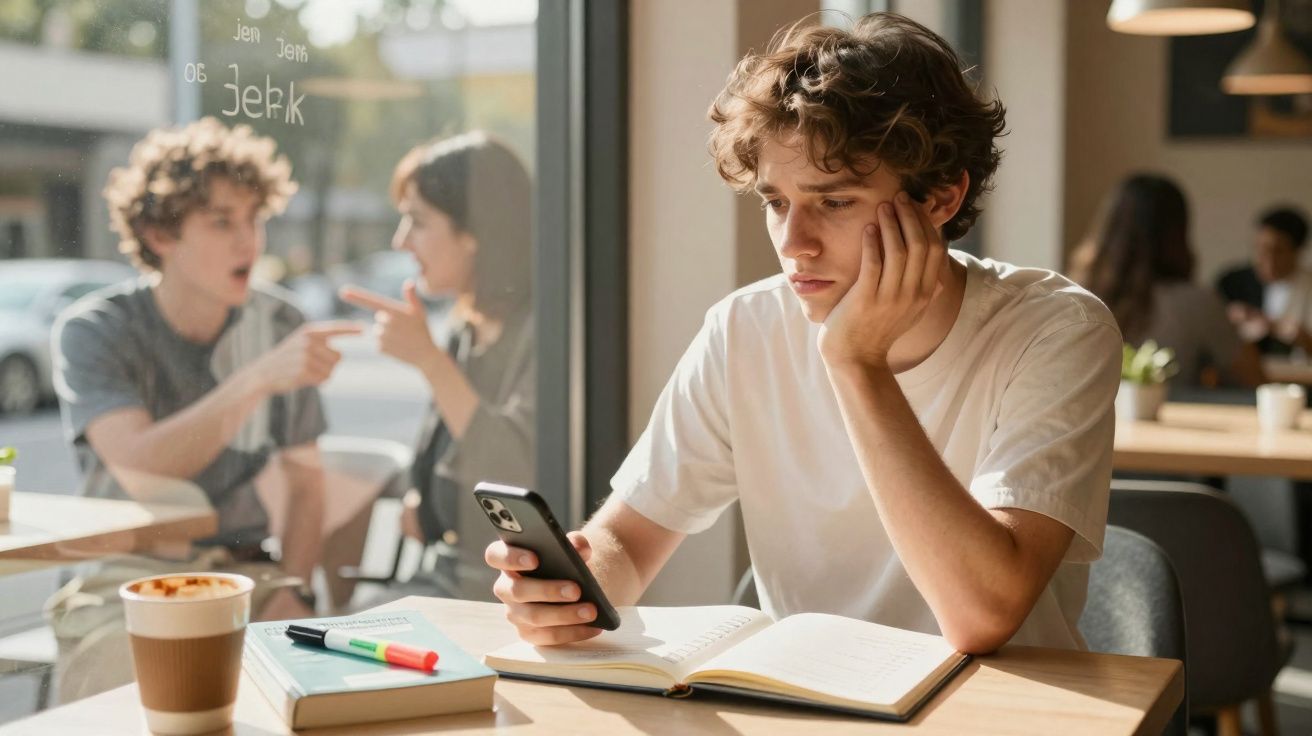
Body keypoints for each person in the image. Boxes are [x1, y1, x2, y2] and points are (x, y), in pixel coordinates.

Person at [485, 13, 1121, 654]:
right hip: (805, 707)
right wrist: (574, 589)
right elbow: (629, 540)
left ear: (940, 199)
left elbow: (982, 616)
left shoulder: (1056, 329)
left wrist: (856, 363)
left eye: (834, 201)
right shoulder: (744, 329)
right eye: (776, 202)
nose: (793, 244)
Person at [48, 117, 358, 700]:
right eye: (222, 222)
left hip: (249, 573)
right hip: (127, 575)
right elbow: (142, 466)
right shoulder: (94, 332)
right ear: (159, 234)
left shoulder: (278, 323)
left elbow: (307, 487)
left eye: (255, 220)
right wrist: (256, 379)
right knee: (133, 695)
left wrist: (292, 585)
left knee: (318, 687)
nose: (249, 242)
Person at [340, 132, 534, 600]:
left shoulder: (544, 333)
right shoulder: (465, 328)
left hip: (506, 594)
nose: (400, 240)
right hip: (446, 581)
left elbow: (518, 470)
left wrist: (430, 362)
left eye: (417, 221)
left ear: (474, 232)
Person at [1070, 173, 1265, 389]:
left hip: (1089, 421)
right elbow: (1255, 381)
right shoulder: (1197, 303)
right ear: (1178, 233)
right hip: (1169, 419)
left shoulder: (1074, 297)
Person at [1216, 206, 1312, 356]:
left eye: (1277, 251)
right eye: (1260, 249)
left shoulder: (1308, 286)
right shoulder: (1233, 282)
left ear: (1297, 251)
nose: (1267, 260)